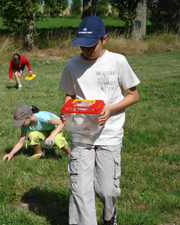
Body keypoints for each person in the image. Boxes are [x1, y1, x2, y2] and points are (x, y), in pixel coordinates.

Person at [58, 16, 140, 225]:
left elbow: (133, 95)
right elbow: (70, 95)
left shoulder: (117, 61)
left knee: (106, 189)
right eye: (82, 45)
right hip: (82, 135)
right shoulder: (72, 65)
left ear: (104, 39)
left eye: (91, 45)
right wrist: (67, 109)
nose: (86, 50)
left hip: (109, 135)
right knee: (80, 189)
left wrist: (110, 109)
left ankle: (109, 212)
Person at [3, 104, 71, 161]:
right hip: (42, 130)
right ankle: (38, 153)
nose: (20, 124)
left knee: (57, 140)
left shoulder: (43, 118)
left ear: (29, 117)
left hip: (54, 128)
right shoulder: (25, 125)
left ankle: (69, 153)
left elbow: (61, 124)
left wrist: (52, 136)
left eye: (21, 122)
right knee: (32, 135)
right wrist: (11, 154)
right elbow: (20, 142)